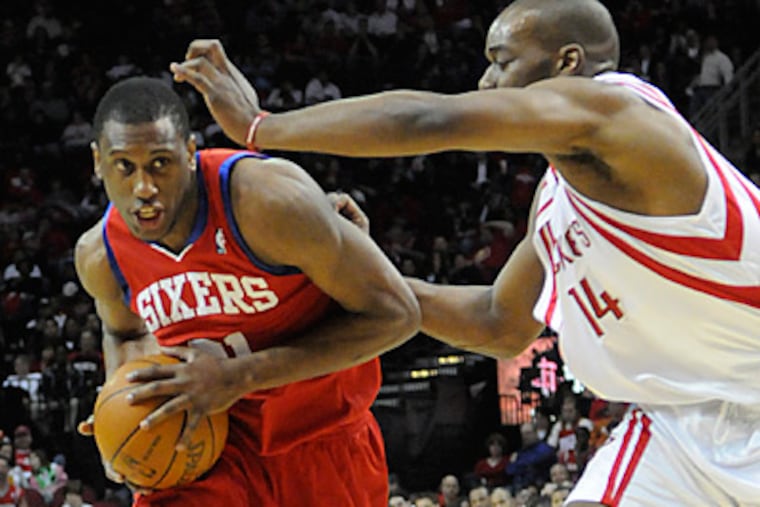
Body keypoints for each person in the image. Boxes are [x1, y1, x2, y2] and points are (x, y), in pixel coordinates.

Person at [170, 0, 760, 503]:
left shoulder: (618, 114)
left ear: (567, 64)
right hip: (677, 425)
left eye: (501, 63)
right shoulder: (557, 199)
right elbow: (500, 324)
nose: (484, 83)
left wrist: (259, 127)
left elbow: (430, 118)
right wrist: (364, 277)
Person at [73, 76, 420, 507]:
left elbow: (397, 315)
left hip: (321, 438)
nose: (143, 188)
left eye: (160, 163)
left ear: (189, 152)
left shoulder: (267, 202)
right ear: (98, 162)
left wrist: (239, 377)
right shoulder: (100, 255)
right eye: (124, 166)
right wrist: (124, 402)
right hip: (206, 451)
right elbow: (124, 333)